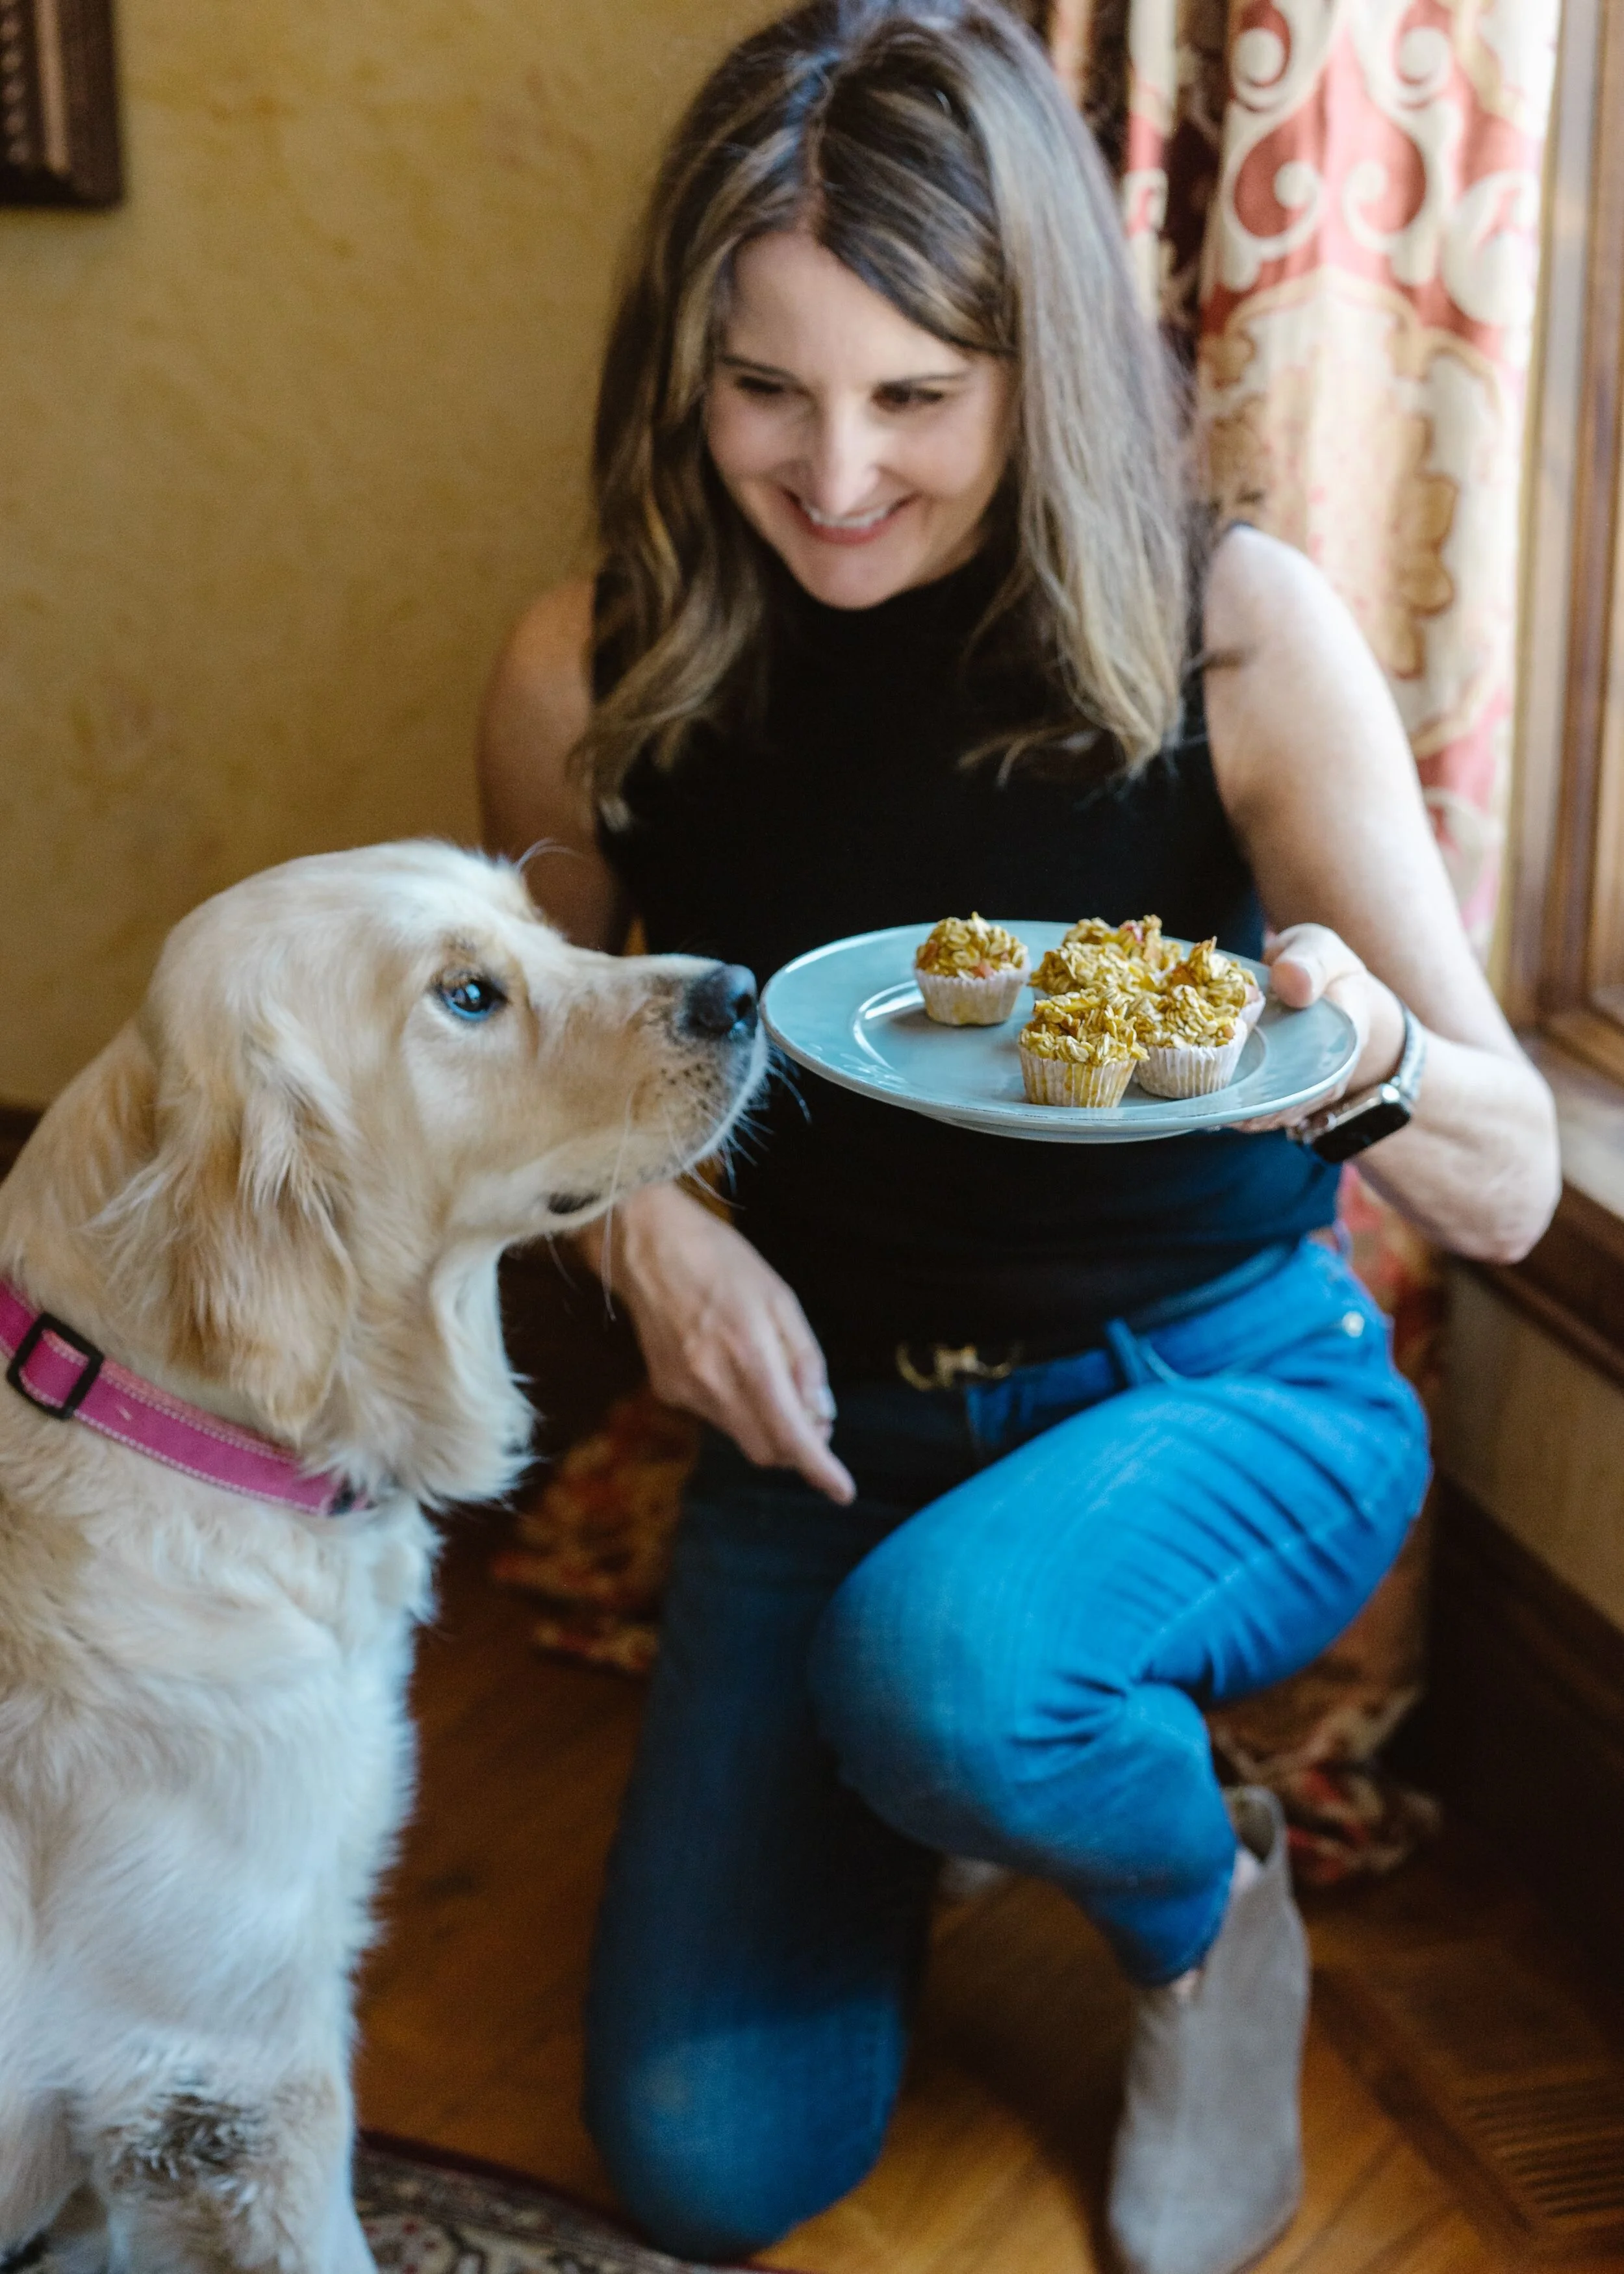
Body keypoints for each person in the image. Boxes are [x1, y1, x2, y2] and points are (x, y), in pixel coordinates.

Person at [479, 5, 1560, 2267]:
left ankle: (1191, 1912)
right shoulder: (592, 663)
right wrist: (641, 1224)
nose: (837, 471)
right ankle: (950, 1750)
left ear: (1033, 364)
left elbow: (1511, 1177)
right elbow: (528, 1067)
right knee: (708, 2157)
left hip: (1219, 1386)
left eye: (915, 397)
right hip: (822, 1442)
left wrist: (1355, 1056)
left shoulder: (1231, 637)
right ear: (678, 365)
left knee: (948, 1671)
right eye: (765, 388)